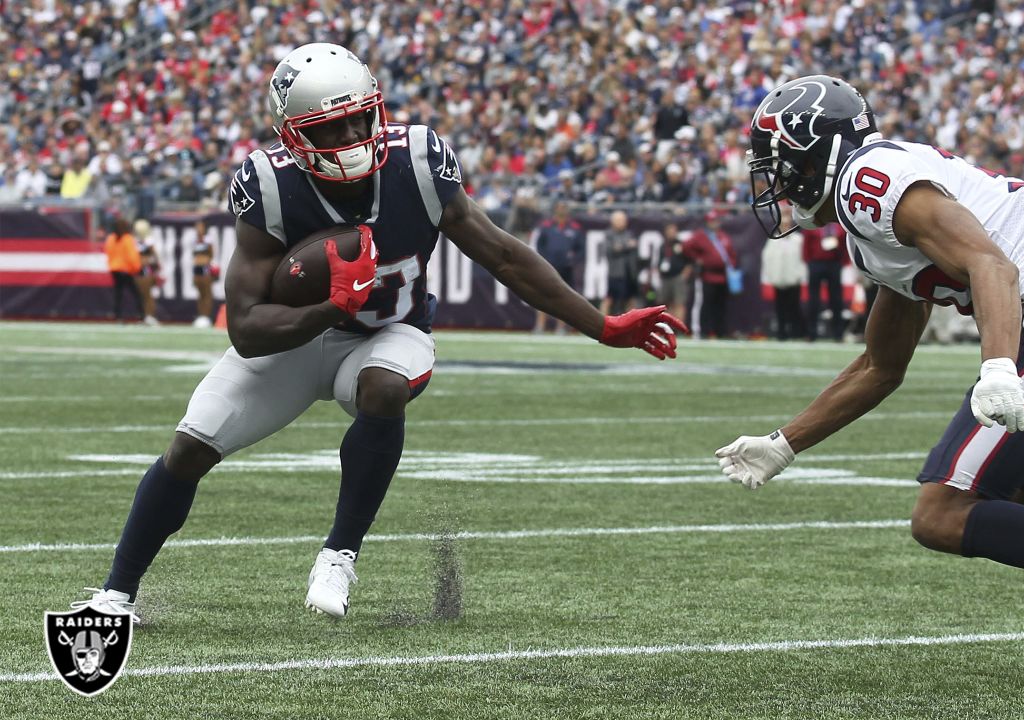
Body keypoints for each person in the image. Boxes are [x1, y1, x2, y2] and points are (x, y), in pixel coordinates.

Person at [72, 43, 687, 623]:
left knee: (384, 387)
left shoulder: (418, 159)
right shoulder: (268, 183)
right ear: (292, 135)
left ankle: (339, 554)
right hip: (298, 339)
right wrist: (326, 309)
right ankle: (116, 594)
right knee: (189, 445)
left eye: (356, 121)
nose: (347, 139)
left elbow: (502, 255)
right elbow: (248, 328)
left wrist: (603, 327)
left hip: (391, 331)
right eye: (325, 130)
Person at [717, 75, 1024, 687]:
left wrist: (998, 366)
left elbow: (990, 263)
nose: (776, 182)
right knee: (998, 511)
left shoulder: (867, 182)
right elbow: (881, 365)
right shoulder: (869, 227)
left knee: (942, 513)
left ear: (817, 150)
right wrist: (784, 443)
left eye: (782, 165)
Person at [530, 200, 584, 334]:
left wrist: (573, 260)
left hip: (567, 268)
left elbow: (581, 249)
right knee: (543, 295)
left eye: (564, 207)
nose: (562, 210)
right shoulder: (546, 226)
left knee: (564, 297)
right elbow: (540, 245)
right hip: (548, 266)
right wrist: (543, 260)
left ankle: (561, 327)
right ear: (555, 209)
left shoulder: (575, 227)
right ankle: (540, 325)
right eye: (559, 207)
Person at [684, 210, 739, 339]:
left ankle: (720, 331)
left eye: (716, 221)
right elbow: (686, 247)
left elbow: (731, 253)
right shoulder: (701, 236)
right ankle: (704, 331)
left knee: (721, 306)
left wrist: (730, 264)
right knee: (706, 305)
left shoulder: (723, 236)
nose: (714, 223)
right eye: (712, 221)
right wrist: (697, 258)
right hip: (708, 276)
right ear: (707, 222)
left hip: (723, 277)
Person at [761, 213, 807, 340]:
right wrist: (770, 276)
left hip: (793, 280)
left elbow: (802, 259)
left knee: (794, 307)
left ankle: (795, 332)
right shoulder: (773, 240)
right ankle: (781, 333)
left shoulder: (798, 240)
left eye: (787, 224)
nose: (785, 227)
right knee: (780, 308)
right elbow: (767, 258)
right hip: (779, 279)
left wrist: (800, 276)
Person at [801, 223, 847, 340]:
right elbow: (806, 244)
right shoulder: (812, 225)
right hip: (816, 263)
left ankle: (838, 333)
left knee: (836, 299)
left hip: (834, 263)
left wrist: (843, 262)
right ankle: (811, 332)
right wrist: (809, 262)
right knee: (813, 299)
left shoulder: (838, 226)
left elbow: (844, 244)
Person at [102, 217, 143, 322]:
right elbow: (132, 256)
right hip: (126, 270)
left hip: (115, 269)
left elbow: (108, 252)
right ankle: (141, 315)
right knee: (136, 293)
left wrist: (112, 265)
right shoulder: (127, 238)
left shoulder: (111, 238)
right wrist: (136, 268)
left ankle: (117, 315)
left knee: (118, 294)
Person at [601, 210, 640, 315]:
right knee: (609, 299)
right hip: (615, 273)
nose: (622, 222)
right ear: (613, 221)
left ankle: (631, 326)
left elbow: (633, 246)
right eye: (620, 220)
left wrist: (621, 247)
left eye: (624, 220)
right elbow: (612, 249)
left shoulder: (629, 233)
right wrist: (627, 246)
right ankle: (602, 324)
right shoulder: (609, 234)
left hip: (629, 273)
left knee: (631, 300)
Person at [654, 222, 692, 327]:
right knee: (665, 303)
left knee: (679, 302)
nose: (671, 233)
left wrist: (684, 274)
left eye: (673, 231)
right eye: (669, 231)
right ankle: (667, 326)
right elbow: (659, 261)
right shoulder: (663, 245)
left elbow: (689, 261)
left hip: (677, 276)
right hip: (665, 277)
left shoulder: (681, 245)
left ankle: (679, 327)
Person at [191, 220, 219, 328]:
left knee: (207, 293)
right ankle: (201, 316)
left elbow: (211, 255)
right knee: (200, 293)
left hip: (205, 268)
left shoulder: (208, 240)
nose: (198, 229)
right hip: (196, 268)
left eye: (200, 227)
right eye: (196, 227)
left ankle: (207, 316)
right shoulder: (195, 241)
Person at [133, 219, 161, 326]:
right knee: (142, 295)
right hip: (138, 270)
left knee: (148, 294)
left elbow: (155, 255)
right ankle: (145, 315)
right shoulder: (135, 240)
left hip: (146, 269)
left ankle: (151, 316)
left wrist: (154, 266)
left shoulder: (149, 241)